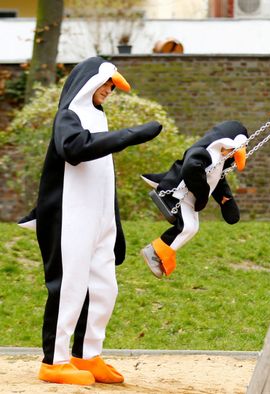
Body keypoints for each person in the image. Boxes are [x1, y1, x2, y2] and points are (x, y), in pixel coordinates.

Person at [17, 57, 162, 385]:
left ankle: (87, 353)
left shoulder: (99, 119)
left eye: (113, 85)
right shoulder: (68, 117)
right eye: (107, 83)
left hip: (98, 220)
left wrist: (113, 227)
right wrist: (129, 136)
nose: (110, 89)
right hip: (70, 217)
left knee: (103, 288)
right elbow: (73, 148)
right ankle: (54, 361)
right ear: (87, 82)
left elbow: (102, 178)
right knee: (68, 288)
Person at [140, 120, 248, 278]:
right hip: (178, 194)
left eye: (232, 152)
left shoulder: (219, 162)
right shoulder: (204, 153)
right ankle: (155, 251)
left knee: (192, 228)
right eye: (228, 149)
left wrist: (226, 201)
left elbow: (219, 182)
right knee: (187, 227)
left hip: (190, 199)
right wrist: (203, 195)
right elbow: (190, 167)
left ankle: (161, 253)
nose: (227, 153)